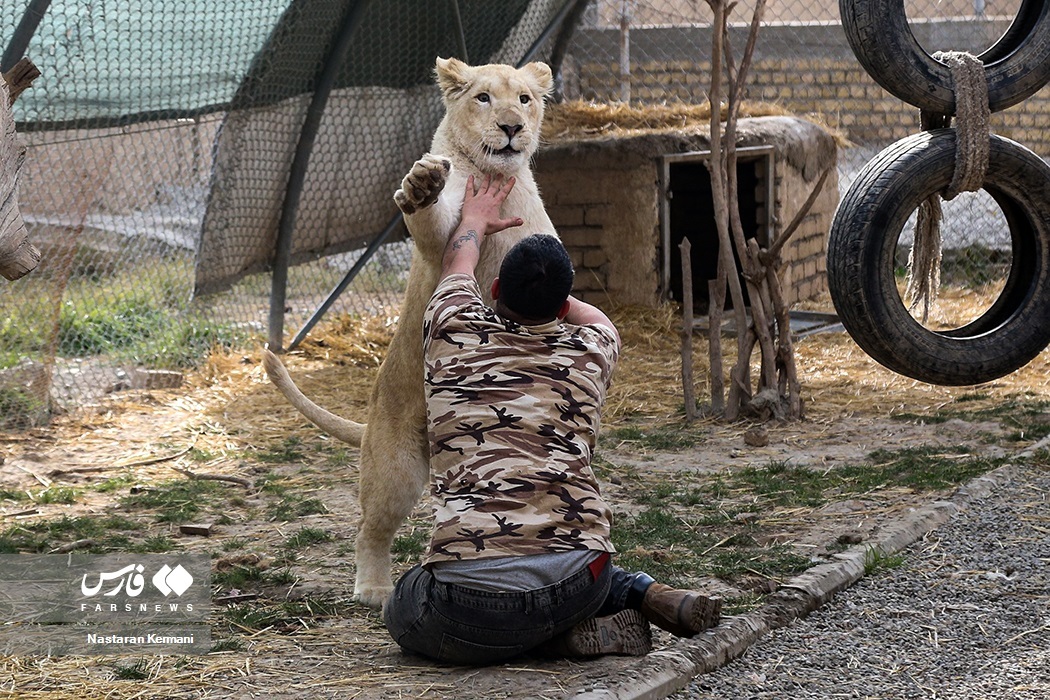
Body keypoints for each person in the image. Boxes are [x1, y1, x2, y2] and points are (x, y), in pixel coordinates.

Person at [383, 173, 721, 665]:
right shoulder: (591, 352)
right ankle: (637, 591)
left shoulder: (452, 328)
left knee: (404, 606)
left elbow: (459, 260)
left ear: (494, 288)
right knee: (580, 573)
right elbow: (596, 318)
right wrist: (556, 294)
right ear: (564, 307)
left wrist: (474, 217)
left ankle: (555, 641)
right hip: (582, 576)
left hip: (468, 602)